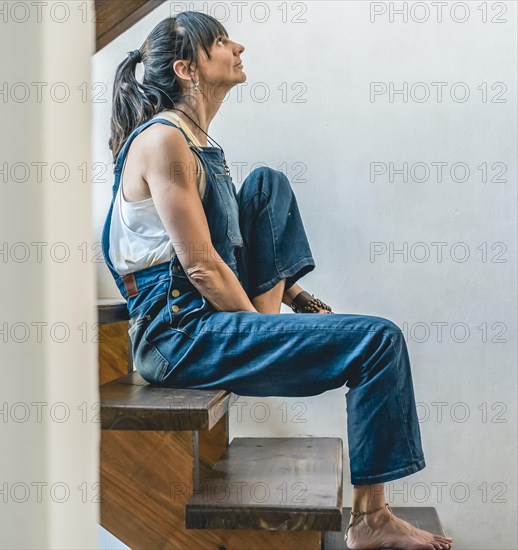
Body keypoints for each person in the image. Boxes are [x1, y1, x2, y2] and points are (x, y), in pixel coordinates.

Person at [101, 11, 453, 550]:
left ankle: (269, 321)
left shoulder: (194, 139)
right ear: (186, 69)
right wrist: (265, 334)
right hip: (176, 337)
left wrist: (296, 298)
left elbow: (227, 244)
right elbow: (200, 265)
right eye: (220, 42)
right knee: (379, 341)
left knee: (267, 184)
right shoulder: (162, 141)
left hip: (208, 318)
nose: (238, 46)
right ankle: (371, 520)